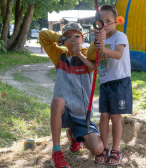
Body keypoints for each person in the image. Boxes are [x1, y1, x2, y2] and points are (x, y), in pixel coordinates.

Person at [39, 23, 104, 168]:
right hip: (64, 112)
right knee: (57, 102)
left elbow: (95, 50)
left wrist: (97, 39)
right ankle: (56, 153)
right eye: (69, 37)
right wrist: (61, 38)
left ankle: (75, 136)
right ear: (63, 41)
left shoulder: (87, 54)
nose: (74, 40)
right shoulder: (59, 56)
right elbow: (43, 34)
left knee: (98, 149)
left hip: (83, 116)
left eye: (77, 36)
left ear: (82, 39)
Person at [88, 4, 132, 165]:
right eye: (101, 21)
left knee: (115, 116)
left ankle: (116, 149)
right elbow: (96, 62)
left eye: (108, 20)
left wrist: (103, 48)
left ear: (116, 21)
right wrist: (95, 46)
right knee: (104, 116)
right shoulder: (99, 39)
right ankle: (104, 147)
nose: (105, 24)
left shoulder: (120, 36)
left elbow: (119, 54)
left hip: (120, 82)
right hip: (105, 82)